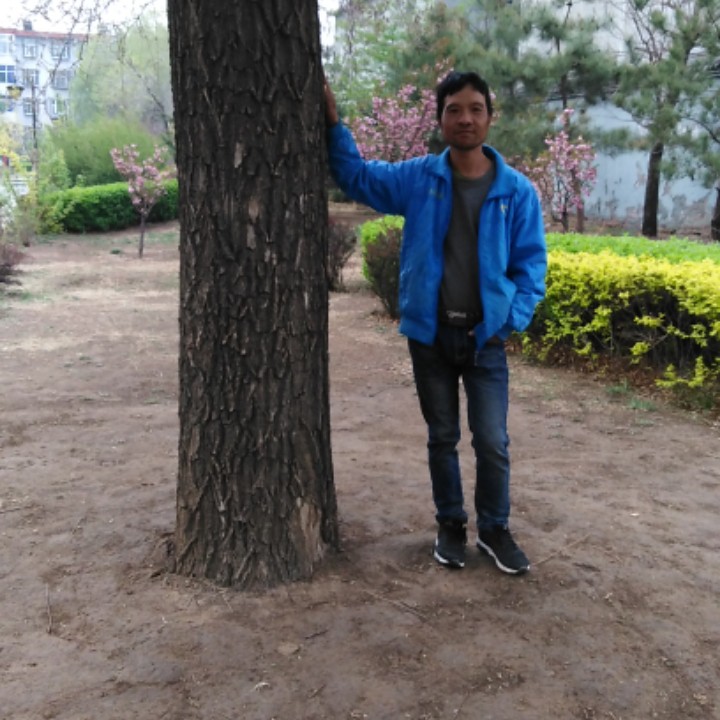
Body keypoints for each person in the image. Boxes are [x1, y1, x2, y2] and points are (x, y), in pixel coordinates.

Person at [324, 71, 547, 575]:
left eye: (475, 109)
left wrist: (508, 322)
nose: (465, 118)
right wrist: (334, 124)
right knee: (442, 438)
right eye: (454, 110)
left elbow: (531, 266)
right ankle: (450, 525)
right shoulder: (419, 179)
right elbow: (358, 177)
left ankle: (494, 529)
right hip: (430, 336)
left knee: (492, 441)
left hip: (486, 339)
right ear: (440, 119)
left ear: (489, 117)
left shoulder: (517, 192)